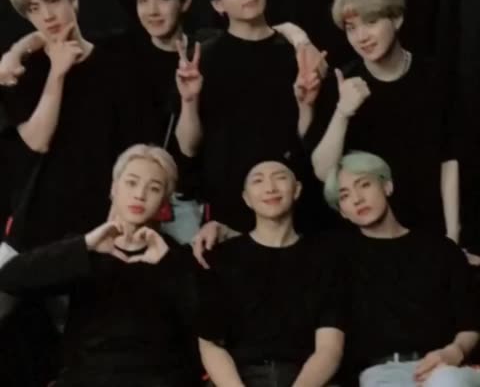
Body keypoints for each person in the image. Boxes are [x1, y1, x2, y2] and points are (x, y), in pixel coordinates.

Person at [0, 0, 323, 243]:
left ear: (185, 3)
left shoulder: (205, 50)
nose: (153, 10)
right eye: (143, 0)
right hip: (112, 198)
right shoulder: (123, 51)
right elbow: (58, 39)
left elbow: (258, 33)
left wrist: (300, 39)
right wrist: (17, 52)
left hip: (186, 196)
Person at [0, 143, 200, 387]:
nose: (140, 195)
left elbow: (207, 322)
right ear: (114, 189)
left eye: (154, 188)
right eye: (131, 183)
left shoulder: (176, 257)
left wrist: (168, 265)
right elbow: (10, 277)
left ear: (163, 204)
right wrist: (84, 245)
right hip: (88, 376)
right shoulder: (87, 249)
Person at [175, 0, 326, 234]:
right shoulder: (203, 59)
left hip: (295, 198)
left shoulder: (296, 53)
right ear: (218, 4)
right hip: (229, 202)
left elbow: (312, 140)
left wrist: (307, 103)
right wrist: (189, 100)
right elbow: (189, 147)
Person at [0, 0, 137, 250]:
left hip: (101, 216)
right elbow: (36, 142)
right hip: (38, 222)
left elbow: (131, 147)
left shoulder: (116, 66)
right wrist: (57, 73)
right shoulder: (21, 71)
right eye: (34, 8)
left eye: (53, 1)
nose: (47, 15)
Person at [310, 0, 459, 239]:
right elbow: (324, 172)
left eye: (371, 22)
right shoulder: (343, 83)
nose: (361, 37)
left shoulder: (435, 76)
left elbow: (449, 159)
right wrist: (343, 111)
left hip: (428, 228)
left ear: (397, 19)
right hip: (365, 234)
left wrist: (453, 233)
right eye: (351, 28)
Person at [323, 151, 479, 387]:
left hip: (445, 368)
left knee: (447, 381)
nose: (357, 199)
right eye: (344, 196)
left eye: (364, 185)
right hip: (381, 373)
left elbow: (470, 321)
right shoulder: (339, 259)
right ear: (342, 211)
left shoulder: (440, 249)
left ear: (387, 186)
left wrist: (454, 351)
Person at [197, 154, 345, 387]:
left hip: (308, 379)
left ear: (297, 190)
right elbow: (210, 343)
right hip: (238, 378)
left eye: (279, 178)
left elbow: (329, 348)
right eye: (258, 180)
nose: (270, 188)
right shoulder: (223, 256)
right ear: (246, 198)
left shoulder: (323, 257)